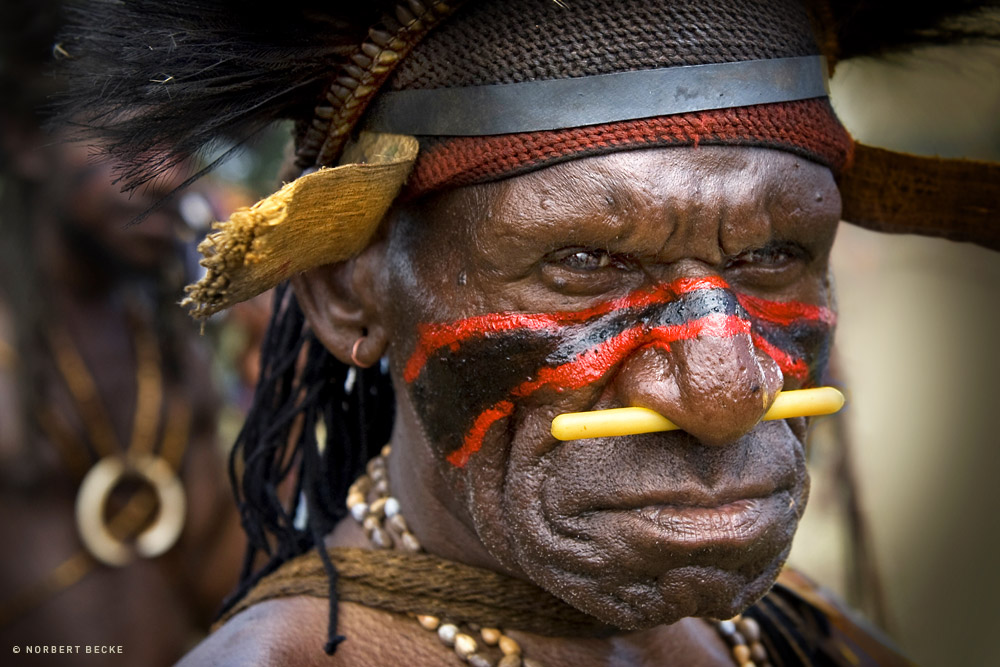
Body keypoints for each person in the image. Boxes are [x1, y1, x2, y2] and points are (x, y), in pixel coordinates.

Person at [53, 1, 998, 665]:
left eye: (775, 254)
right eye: (583, 261)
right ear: (348, 294)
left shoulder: (807, 641)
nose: (725, 393)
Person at [0, 4, 244, 663]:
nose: (168, 176)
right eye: (130, 141)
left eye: (181, 147)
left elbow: (222, 586)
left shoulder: (170, 357)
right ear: (26, 141)